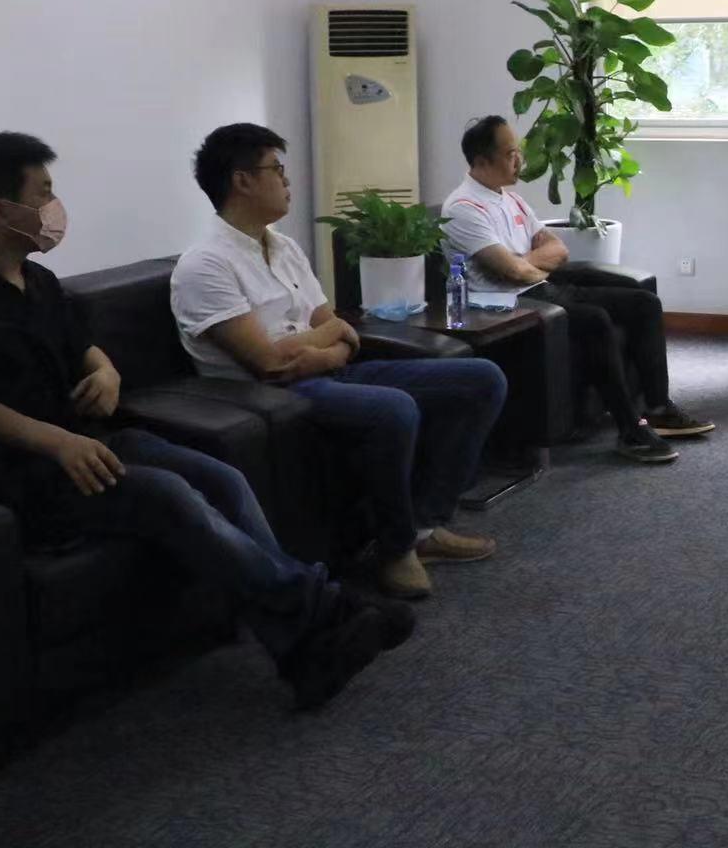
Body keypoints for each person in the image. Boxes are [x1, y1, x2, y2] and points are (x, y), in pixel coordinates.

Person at [0, 133, 409, 710]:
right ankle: (324, 610)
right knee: (170, 496)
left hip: (94, 440)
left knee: (223, 478)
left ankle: (304, 647)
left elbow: (85, 348)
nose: (55, 206)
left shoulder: (38, 281)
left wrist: (106, 372)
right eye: (43, 193)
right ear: (2, 210)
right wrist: (57, 443)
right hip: (27, 469)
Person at [171, 124, 507, 600]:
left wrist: (322, 346)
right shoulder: (205, 265)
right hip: (272, 397)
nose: (287, 180)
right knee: (393, 408)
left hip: (326, 372)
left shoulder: (284, 247)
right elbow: (269, 363)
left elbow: (338, 330)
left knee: (481, 379)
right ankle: (395, 550)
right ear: (241, 181)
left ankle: (424, 526)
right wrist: (328, 340)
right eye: (276, 169)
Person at [441, 116, 709, 465]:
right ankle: (630, 430)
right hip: (505, 304)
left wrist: (524, 263)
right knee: (594, 319)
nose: (519, 160)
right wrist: (526, 265)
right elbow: (512, 272)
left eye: (518, 151)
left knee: (644, 303)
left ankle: (657, 408)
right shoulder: (462, 209)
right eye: (510, 154)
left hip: (539, 287)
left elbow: (557, 250)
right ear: (481, 161)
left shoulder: (511, 200)